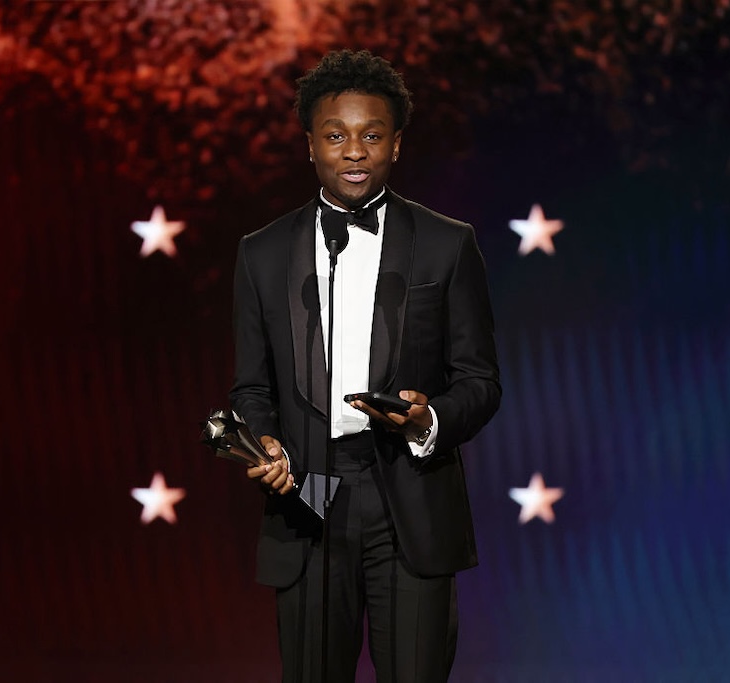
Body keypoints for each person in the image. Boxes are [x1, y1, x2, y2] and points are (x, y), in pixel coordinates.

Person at [229, 49, 500, 683]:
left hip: (408, 492)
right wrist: (265, 441)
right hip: (308, 494)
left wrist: (429, 420)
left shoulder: (447, 243)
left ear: (396, 145)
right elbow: (251, 386)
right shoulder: (262, 253)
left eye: (372, 136)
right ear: (310, 144)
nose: (354, 151)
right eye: (336, 136)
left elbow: (480, 382)